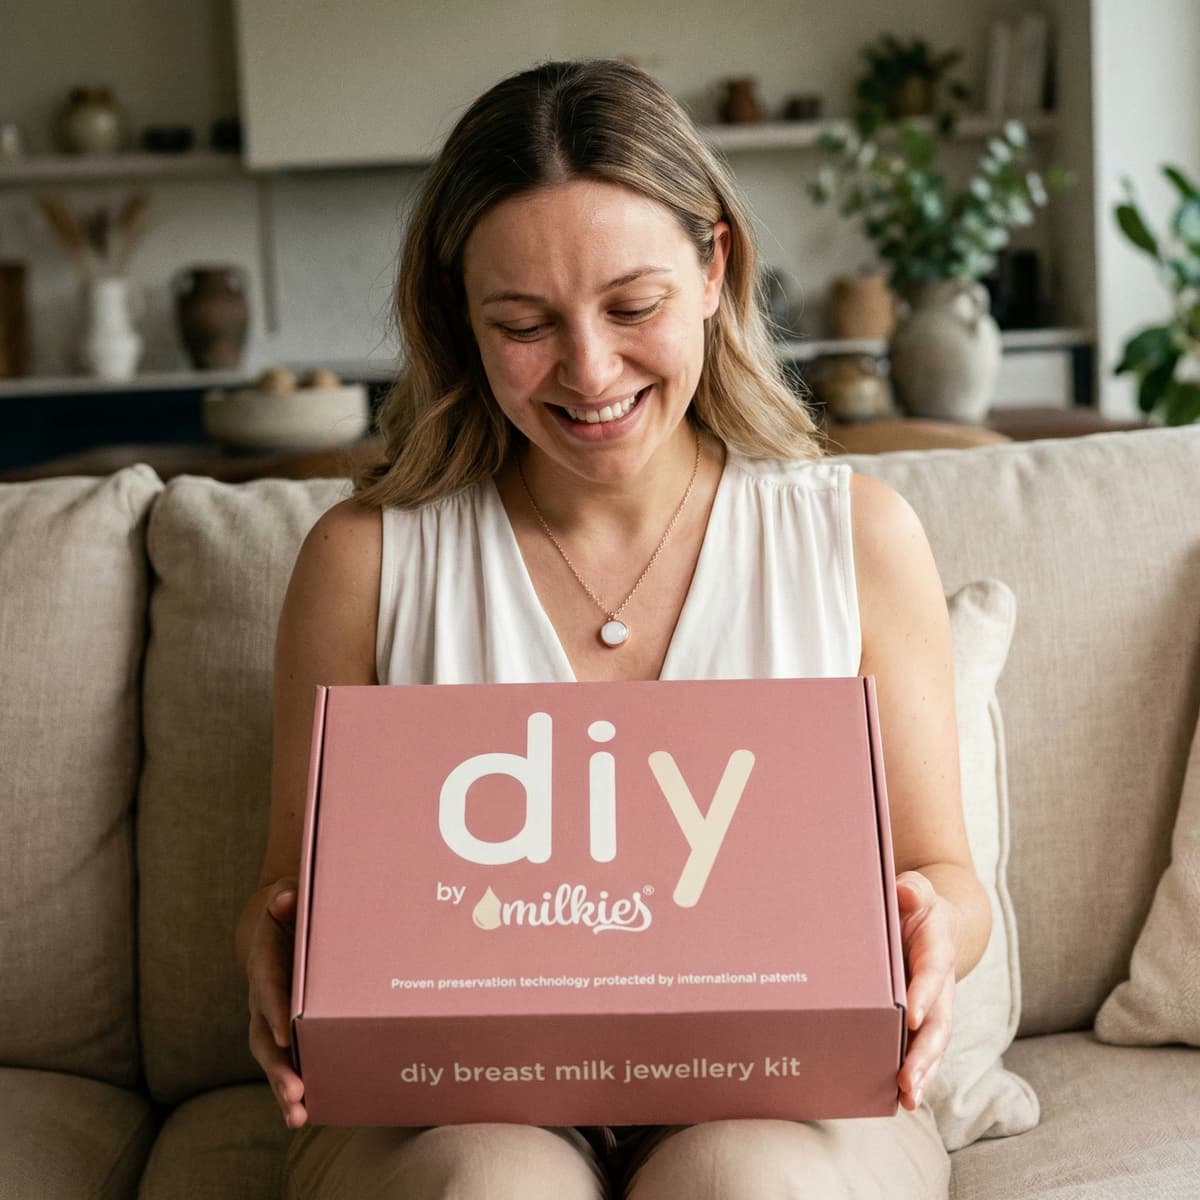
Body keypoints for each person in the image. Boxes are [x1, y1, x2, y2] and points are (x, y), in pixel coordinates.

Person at [236, 58, 991, 1199]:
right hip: (457, 1098)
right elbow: (292, 894)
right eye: (524, 323)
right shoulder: (365, 563)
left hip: (777, 1089)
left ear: (713, 269)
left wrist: (938, 932)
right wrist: (272, 949)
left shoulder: (855, 538)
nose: (590, 372)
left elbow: (946, 874)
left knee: (746, 1185)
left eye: (632, 307)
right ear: (460, 320)